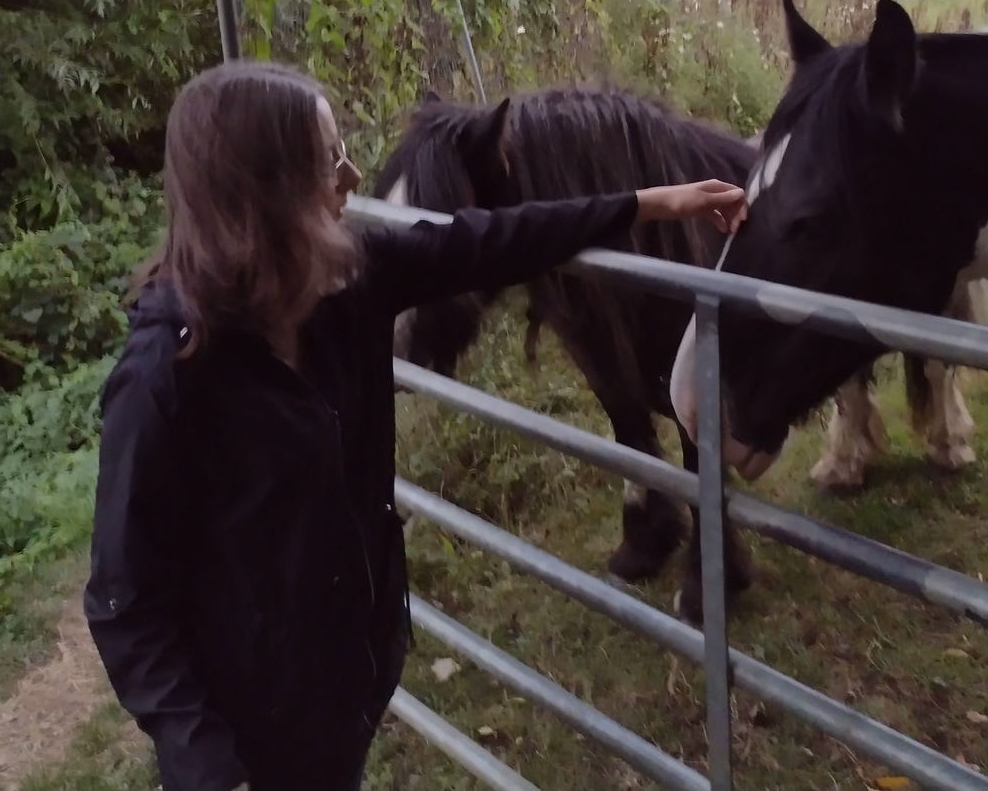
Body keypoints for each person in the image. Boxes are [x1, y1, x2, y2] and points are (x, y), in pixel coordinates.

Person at [83, 61, 749, 791]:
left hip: (344, 686)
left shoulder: (347, 284)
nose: (352, 174)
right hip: (246, 735)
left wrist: (649, 202)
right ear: (263, 189)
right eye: (328, 157)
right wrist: (206, 764)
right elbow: (126, 601)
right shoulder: (165, 377)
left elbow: (494, 237)